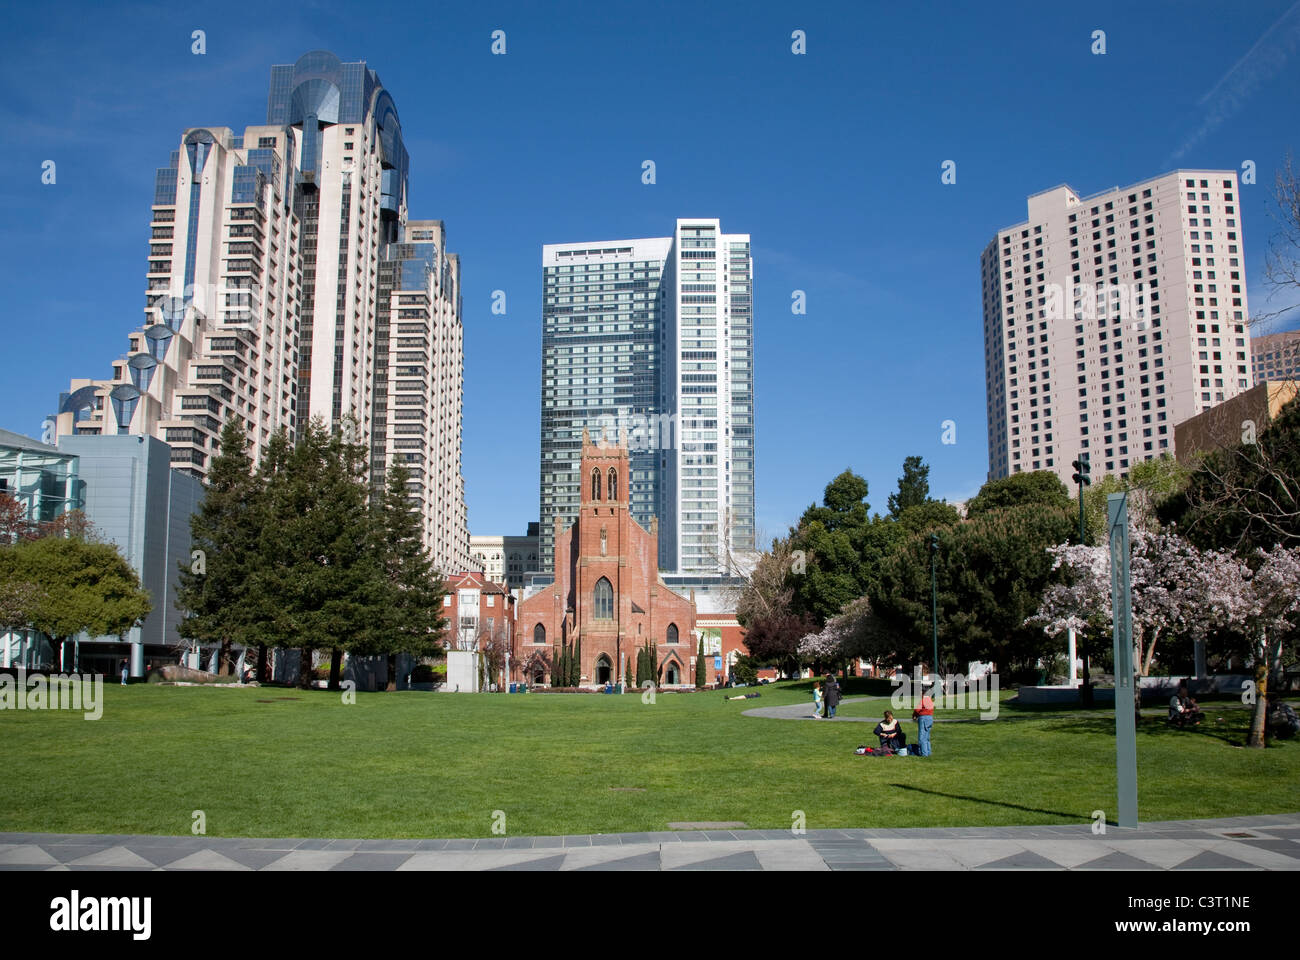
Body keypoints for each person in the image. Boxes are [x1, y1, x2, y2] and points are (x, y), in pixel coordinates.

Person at [912, 685, 935, 755]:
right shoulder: (930, 699)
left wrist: (914, 716)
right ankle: (928, 752)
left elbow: (917, 709)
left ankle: (924, 753)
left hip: (923, 718)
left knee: (922, 737)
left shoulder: (924, 699)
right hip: (930, 718)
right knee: (927, 737)